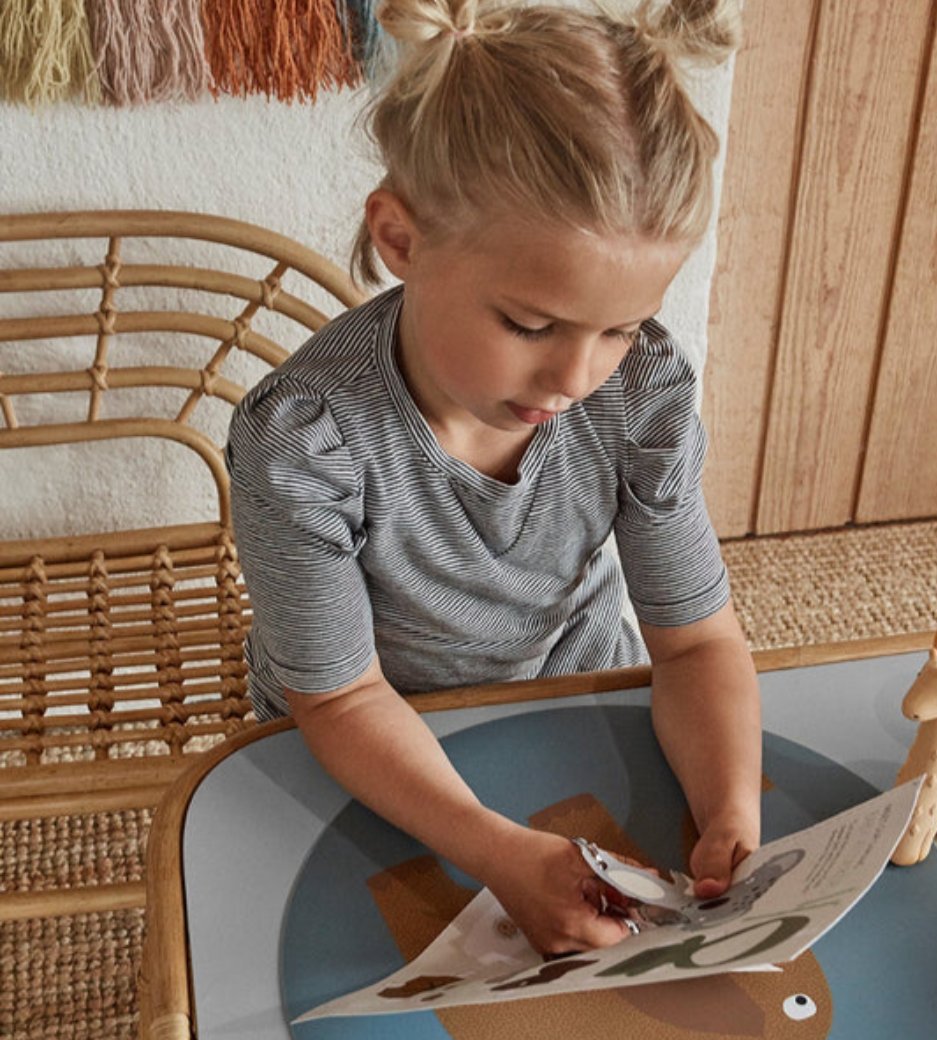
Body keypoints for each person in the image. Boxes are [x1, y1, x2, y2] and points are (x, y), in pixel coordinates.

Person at [226, 0, 762, 955]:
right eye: (529, 325)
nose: (575, 378)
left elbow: (694, 647)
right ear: (401, 239)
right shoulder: (304, 439)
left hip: (570, 687)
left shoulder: (641, 393)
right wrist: (497, 851)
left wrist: (730, 806)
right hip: (368, 735)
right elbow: (339, 699)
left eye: (621, 326)